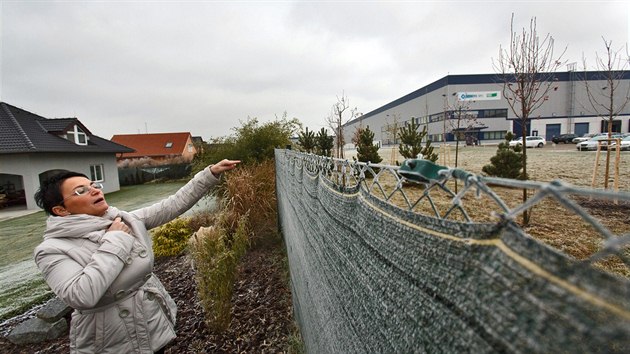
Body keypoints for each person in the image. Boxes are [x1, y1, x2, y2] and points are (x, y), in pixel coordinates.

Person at [33, 159, 240, 354]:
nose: (95, 190)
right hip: (109, 340)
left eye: (93, 184)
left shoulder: (123, 219)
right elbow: (81, 295)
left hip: (150, 322)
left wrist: (209, 174)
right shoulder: (52, 249)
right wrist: (115, 240)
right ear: (61, 210)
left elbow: (171, 206)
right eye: (81, 191)